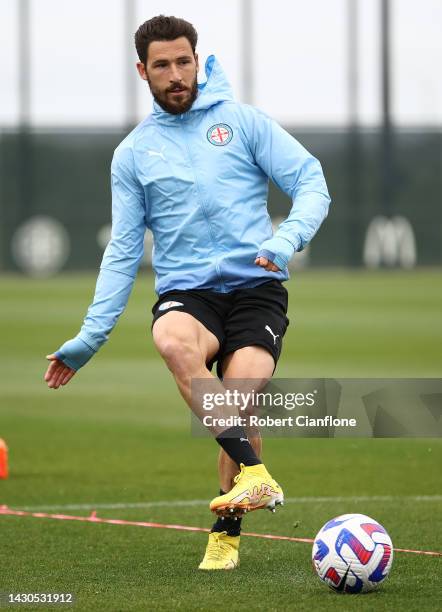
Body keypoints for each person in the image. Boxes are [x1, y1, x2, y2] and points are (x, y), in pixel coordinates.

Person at [44, 15, 331, 570]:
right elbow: (123, 251)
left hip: (257, 286)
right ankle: (256, 476)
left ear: (197, 61)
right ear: (142, 71)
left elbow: (311, 180)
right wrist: (88, 338)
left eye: (183, 62)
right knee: (174, 341)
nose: (175, 74)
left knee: (238, 396)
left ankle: (226, 530)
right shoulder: (132, 155)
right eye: (162, 66)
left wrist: (287, 237)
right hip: (188, 295)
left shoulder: (243, 123)